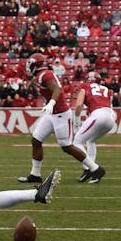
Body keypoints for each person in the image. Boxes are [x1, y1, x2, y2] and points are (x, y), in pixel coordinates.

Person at [17, 53, 89, 182]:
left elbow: (57, 90)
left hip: (60, 113)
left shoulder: (45, 74)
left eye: (30, 63)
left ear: (36, 64)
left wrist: (51, 102)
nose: (28, 66)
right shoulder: (40, 75)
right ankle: (35, 175)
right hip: (52, 114)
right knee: (36, 141)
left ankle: (93, 168)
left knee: (66, 146)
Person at [72, 72, 116, 184]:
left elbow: (78, 105)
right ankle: (91, 172)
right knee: (90, 140)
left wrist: (76, 121)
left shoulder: (85, 86)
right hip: (110, 116)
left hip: (98, 114)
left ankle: (91, 169)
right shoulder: (107, 90)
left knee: (77, 142)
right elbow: (108, 105)